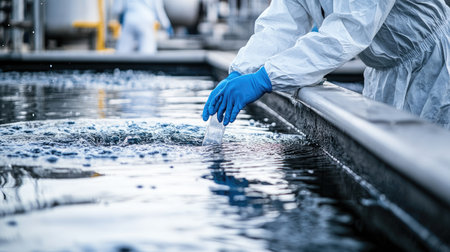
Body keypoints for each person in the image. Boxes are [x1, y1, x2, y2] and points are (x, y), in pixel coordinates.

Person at [202, 0, 450, 129]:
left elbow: (347, 32)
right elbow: (281, 24)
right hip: (383, 71)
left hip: (434, 66)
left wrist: (264, 78)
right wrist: (241, 70)